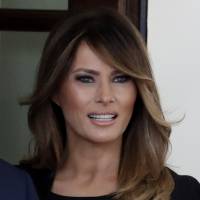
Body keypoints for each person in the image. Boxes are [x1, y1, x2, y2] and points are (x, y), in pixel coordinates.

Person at [19, 8, 200, 200]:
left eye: (120, 78)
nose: (105, 96)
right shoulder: (16, 188)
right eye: (86, 79)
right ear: (55, 91)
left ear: (137, 91)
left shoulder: (181, 193)